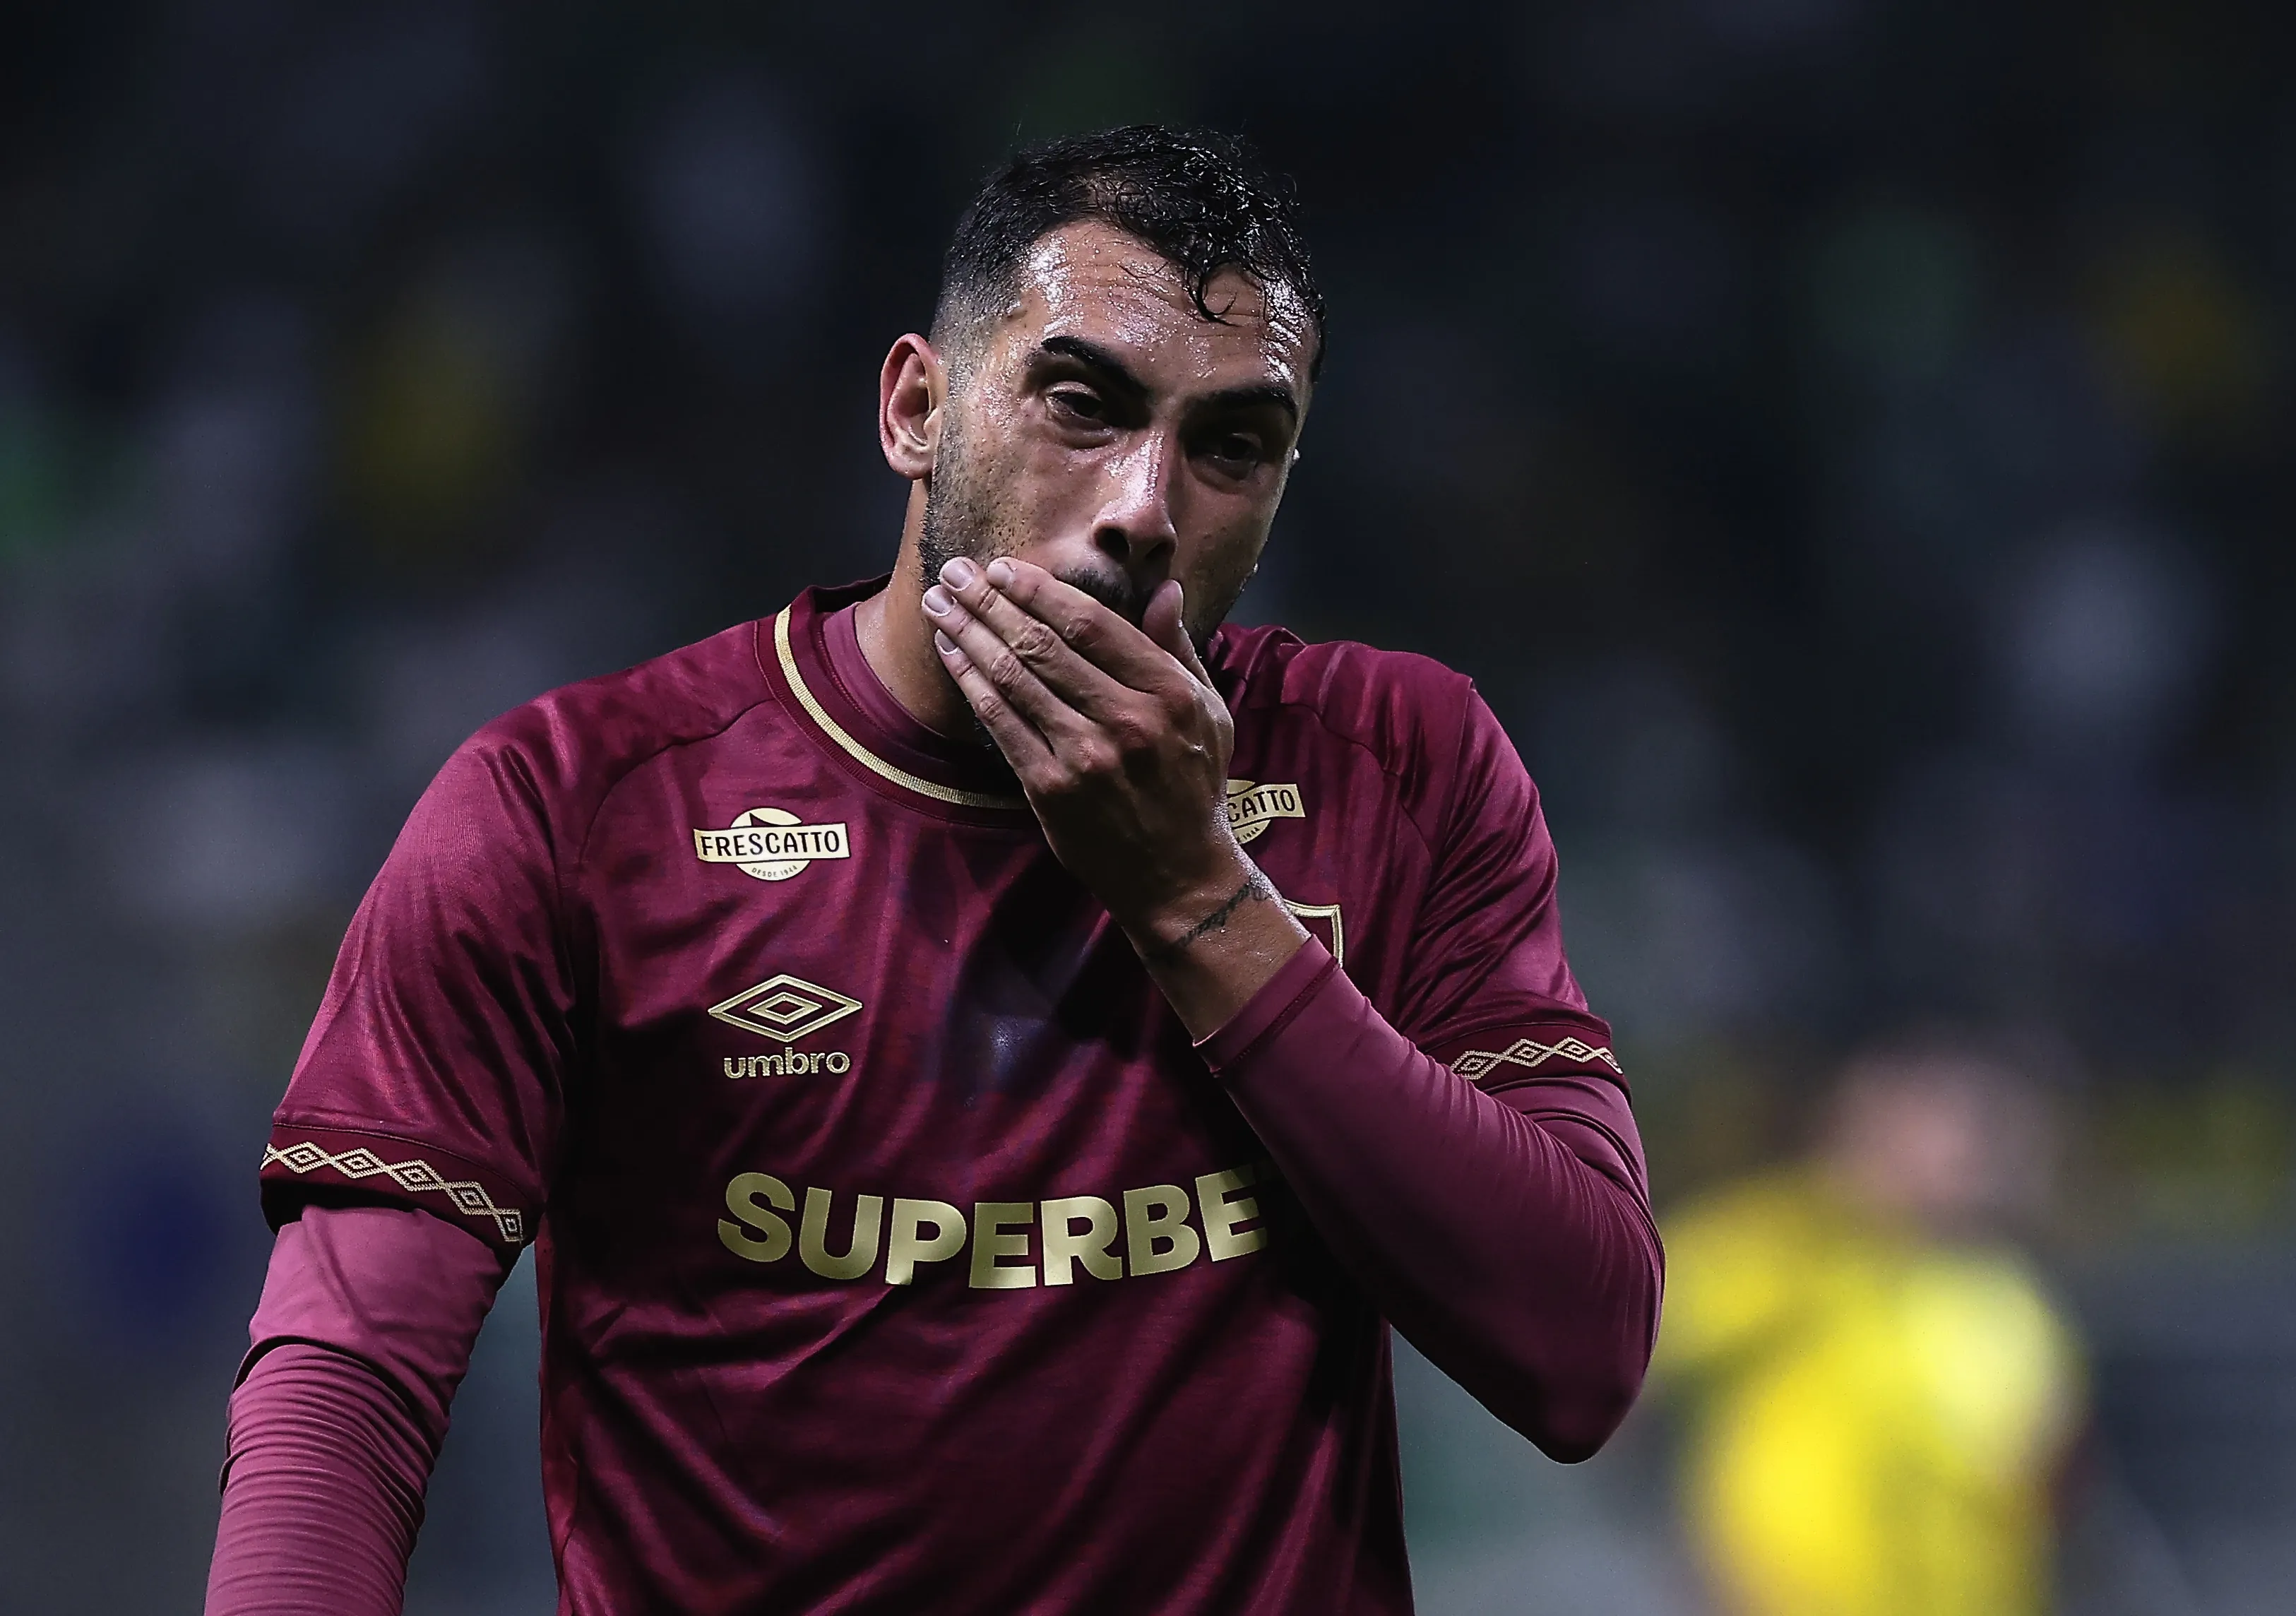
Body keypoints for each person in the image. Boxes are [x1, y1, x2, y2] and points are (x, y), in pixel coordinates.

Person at [203, 126, 1663, 1615]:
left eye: (1231, 443)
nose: (1145, 505)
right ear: (917, 406)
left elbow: (1581, 1350)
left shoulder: (1399, 762)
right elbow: (344, 1390)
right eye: (1082, 403)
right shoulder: (576, 810)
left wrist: (1194, 899)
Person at [1653, 1031, 2085, 1616]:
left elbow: (2038, 1474)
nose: (1954, 1152)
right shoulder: (1781, 1242)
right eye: (1922, 1124)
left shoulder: (2002, 1298)